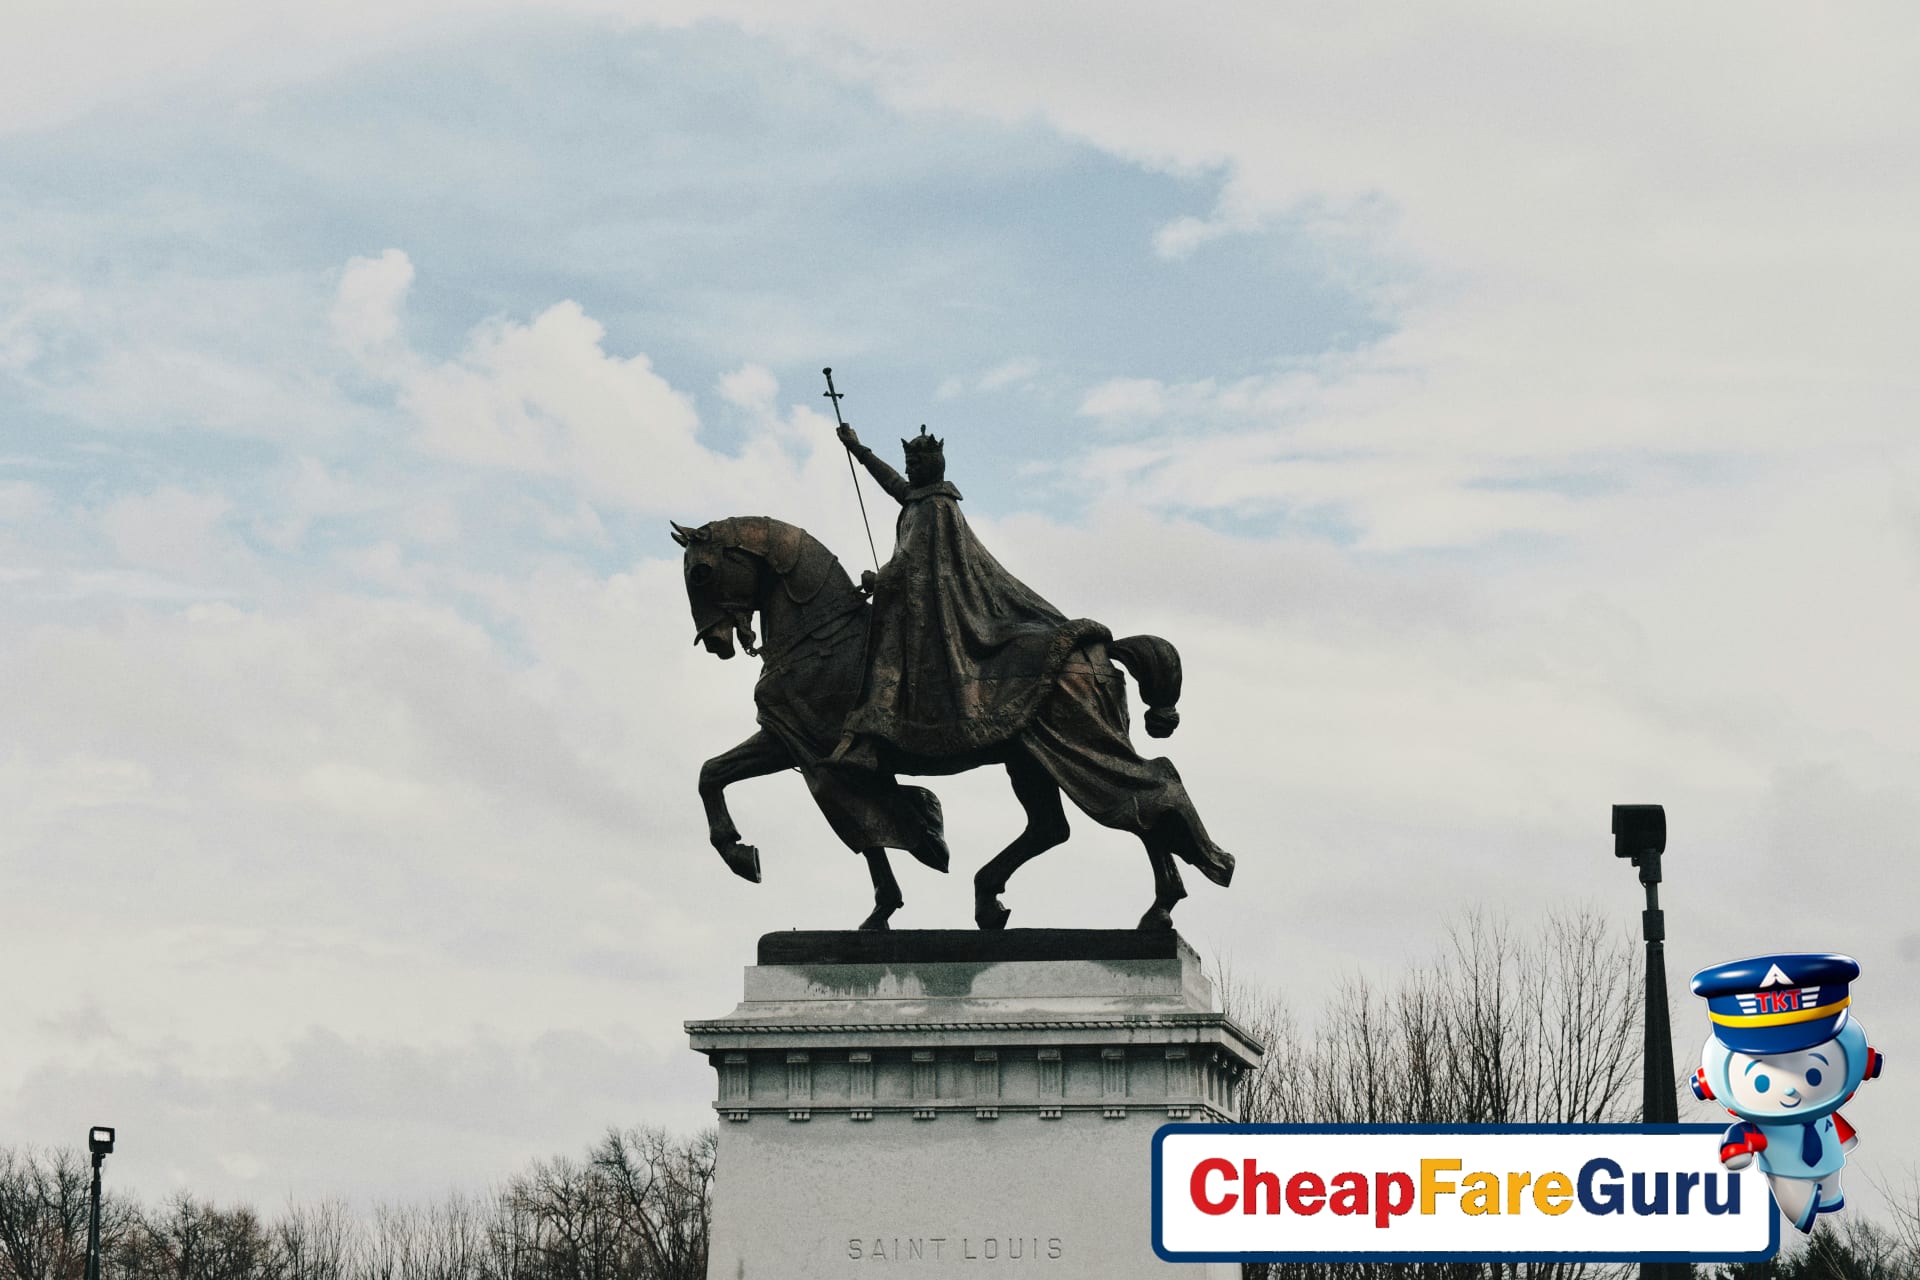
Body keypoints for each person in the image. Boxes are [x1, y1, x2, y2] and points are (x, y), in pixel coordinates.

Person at [830, 423, 1104, 771]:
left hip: (939, 607)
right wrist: (858, 449)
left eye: (914, 465)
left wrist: (877, 579)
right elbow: (896, 487)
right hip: (926, 599)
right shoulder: (923, 500)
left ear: (931, 466)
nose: (908, 470)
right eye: (907, 464)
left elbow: (908, 562)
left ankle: (874, 734)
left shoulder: (935, 507)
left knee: (888, 649)